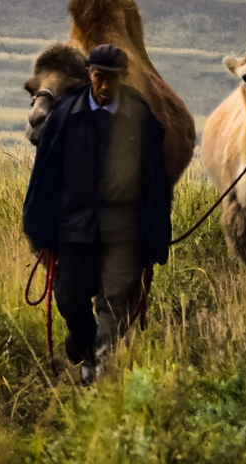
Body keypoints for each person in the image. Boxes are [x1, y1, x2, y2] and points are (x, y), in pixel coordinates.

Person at [22, 43, 174, 383]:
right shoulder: (64, 116)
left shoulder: (140, 116)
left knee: (116, 299)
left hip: (125, 231)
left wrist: (155, 234)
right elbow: (45, 175)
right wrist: (39, 228)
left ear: (121, 79)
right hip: (77, 228)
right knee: (69, 298)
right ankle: (88, 350)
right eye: (97, 77)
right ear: (89, 75)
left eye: (111, 79)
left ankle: (98, 371)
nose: (103, 86)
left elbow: (156, 181)